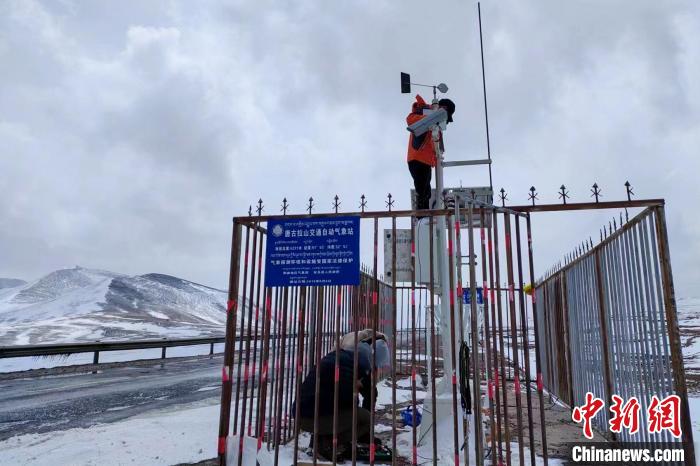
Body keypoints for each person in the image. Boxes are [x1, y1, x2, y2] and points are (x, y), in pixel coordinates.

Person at [295, 329, 390, 462]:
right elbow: (346, 401)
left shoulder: (348, 357)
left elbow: (368, 393)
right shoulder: (353, 354)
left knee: (356, 407)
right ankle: (326, 442)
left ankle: (334, 437)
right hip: (311, 415)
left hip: (307, 411)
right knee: (356, 413)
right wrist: (354, 387)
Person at [406, 95, 456, 210]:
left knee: (425, 190)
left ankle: (423, 214)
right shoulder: (424, 112)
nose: (446, 121)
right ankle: (422, 216)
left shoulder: (436, 124)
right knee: (423, 191)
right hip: (419, 158)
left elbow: (435, 146)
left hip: (424, 160)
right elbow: (410, 120)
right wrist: (431, 118)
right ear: (444, 109)